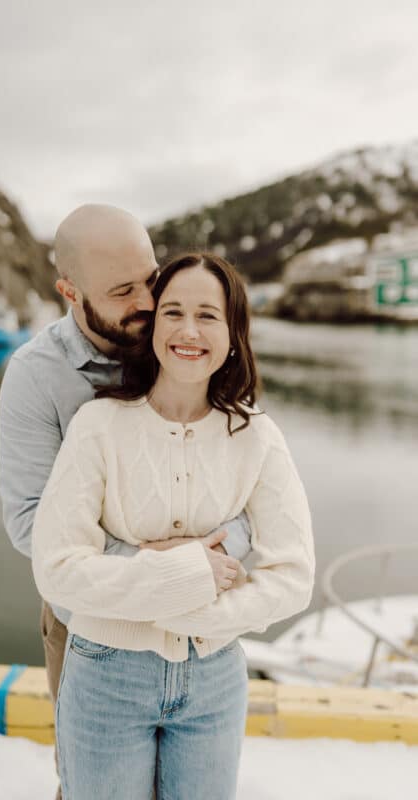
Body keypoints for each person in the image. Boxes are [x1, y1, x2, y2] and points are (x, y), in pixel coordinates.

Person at [31, 251, 315, 800]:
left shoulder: (257, 436)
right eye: (173, 312)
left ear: (234, 332)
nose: (189, 331)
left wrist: (197, 607)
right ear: (153, 326)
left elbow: (293, 577)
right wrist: (185, 572)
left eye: (208, 315)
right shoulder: (99, 425)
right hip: (105, 675)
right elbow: (58, 570)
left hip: (214, 678)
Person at [0, 207, 253, 795]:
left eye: (150, 277)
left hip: (199, 629)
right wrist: (159, 566)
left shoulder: (188, 346)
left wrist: (211, 558)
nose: (148, 300)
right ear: (70, 292)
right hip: (92, 628)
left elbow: (250, 484)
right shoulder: (37, 378)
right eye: (122, 291)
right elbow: (28, 521)